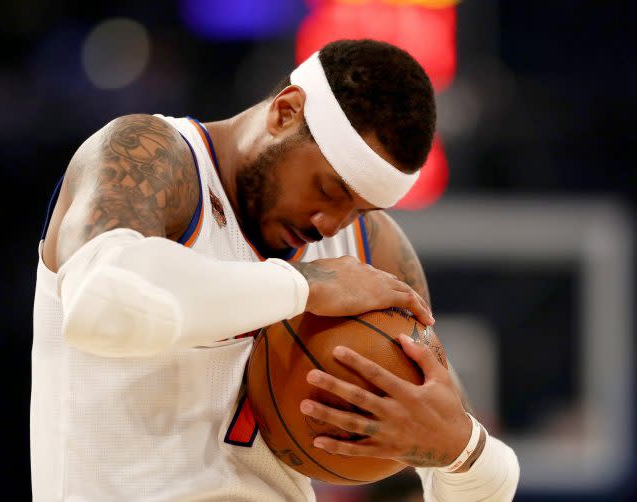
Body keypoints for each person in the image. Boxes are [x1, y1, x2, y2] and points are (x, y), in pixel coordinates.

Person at [31, 39, 519, 501]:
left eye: (359, 211)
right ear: (286, 111)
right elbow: (100, 301)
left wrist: (463, 452)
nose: (329, 225)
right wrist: (300, 287)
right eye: (328, 189)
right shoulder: (153, 155)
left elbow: (476, 476)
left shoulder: (372, 250)